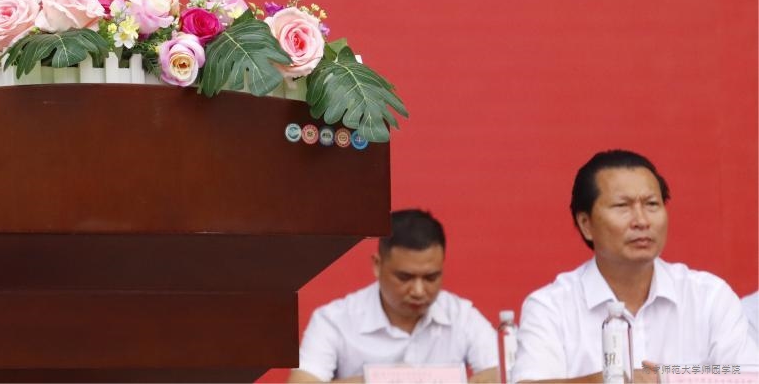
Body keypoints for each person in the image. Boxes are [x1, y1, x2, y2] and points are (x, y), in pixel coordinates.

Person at [512, 149, 759, 382]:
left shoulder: (709, 296)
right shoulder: (550, 307)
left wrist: (669, 376)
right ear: (586, 224)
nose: (641, 221)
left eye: (652, 204)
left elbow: (747, 376)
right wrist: (607, 380)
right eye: (622, 206)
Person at [291, 209, 499, 383]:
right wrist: (383, 380)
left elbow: (503, 373)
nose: (418, 291)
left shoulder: (461, 316)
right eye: (404, 277)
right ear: (377, 265)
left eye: (431, 277)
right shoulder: (334, 320)